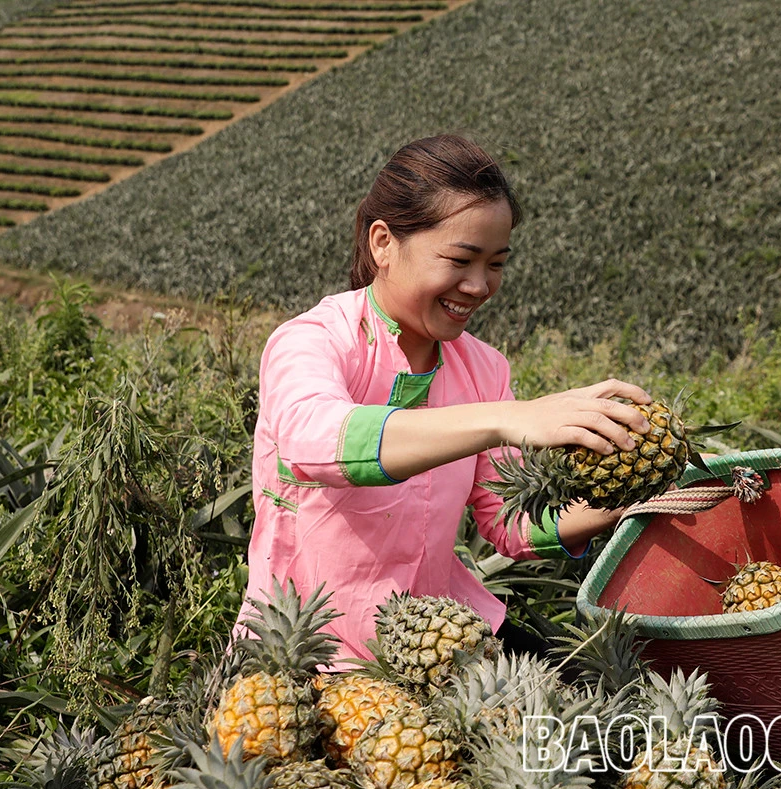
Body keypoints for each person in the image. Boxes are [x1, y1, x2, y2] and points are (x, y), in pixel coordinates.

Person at [241, 134, 651, 661]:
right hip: (318, 650)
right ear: (383, 243)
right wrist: (506, 418)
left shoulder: (483, 367)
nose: (479, 286)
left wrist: (625, 500)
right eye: (461, 259)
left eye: (496, 264)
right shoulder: (313, 340)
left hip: (447, 633)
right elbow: (316, 441)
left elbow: (508, 520)